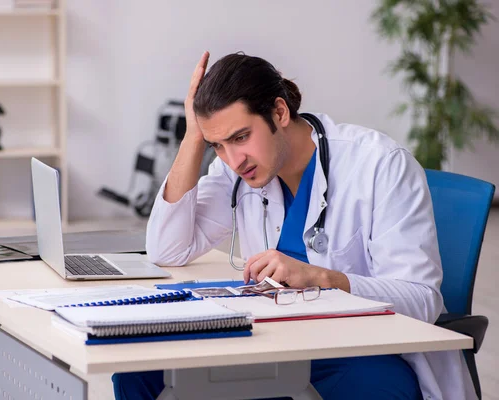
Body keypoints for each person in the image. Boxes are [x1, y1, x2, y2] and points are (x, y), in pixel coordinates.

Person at [112, 52, 477, 400]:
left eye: (240, 137)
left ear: (280, 111)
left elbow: (423, 301)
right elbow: (167, 249)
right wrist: (194, 137)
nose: (233, 159)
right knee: (139, 371)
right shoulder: (236, 171)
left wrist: (323, 278)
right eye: (217, 145)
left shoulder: (380, 166)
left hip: (359, 349)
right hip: (274, 338)